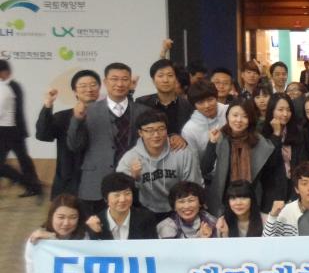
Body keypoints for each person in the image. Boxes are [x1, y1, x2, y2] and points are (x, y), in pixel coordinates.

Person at [68, 62, 152, 215]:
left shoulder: (143, 111)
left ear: (130, 82)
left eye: (124, 79)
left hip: (133, 181)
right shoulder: (88, 111)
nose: (119, 84)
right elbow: (75, 146)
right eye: (114, 79)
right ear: (105, 82)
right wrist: (77, 120)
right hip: (95, 183)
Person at [116, 111, 203, 219]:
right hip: (145, 210)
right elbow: (119, 191)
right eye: (149, 130)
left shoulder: (182, 152)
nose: (156, 135)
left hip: (180, 208)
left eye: (161, 129)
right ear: (140, 133)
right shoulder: (130, 157)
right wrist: (134, 177)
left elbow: (194, 184)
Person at [202, 100, 279, 216]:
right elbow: (205, 168)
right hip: (222, 201)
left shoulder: (259, 142)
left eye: (244, 116)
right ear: (227, 117)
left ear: (250, 119)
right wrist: (212, 143)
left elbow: (269, 176)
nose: (238, 120)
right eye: (235, 115)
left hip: (251, 201)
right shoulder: (220, 137)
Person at [36, 70, 100, 198]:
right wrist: (48, 104)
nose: (89, 89)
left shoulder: (108, 116)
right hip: (69, 182)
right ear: (75, 91)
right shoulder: (63, 116)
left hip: (98, 180)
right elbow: (43, 135)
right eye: (83, 86)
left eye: (93, 85)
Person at [0, 60, 43, 197]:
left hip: (11, 131)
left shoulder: (11, 87)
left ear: (5, 72)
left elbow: (8, 111)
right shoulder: (8, 86)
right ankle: (33, 185)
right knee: (23, 160)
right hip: (10, 130)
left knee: (23, 160)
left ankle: (31, 185)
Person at [134, 59, 193, 143]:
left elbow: (192, 133)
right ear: (153, 80)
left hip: (179, 150)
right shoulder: (142, 103)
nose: (165, 80)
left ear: (176, 79)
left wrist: (184, 139)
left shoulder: (187, 105)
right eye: (160, 76)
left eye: (170, 75)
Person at [85, 172, 158, 240]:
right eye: (117, 195)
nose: (122, 199)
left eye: (127, 193)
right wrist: (96, 232)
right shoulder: (96, 222)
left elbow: (152, 246)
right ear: (105, 199)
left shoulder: (146, 218)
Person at [261, 93, 304, 200]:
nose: (285, 114)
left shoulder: (298, 132)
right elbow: (270, 163)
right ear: (272, 111)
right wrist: (276, 135)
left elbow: (302, 162)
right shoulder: (262, 134)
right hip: (272, 190)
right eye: (280, 110)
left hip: (295, 187)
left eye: (288, 110)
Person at [181, 81, 229, 165]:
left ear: (216, 97)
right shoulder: (189, 129)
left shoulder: (230, 112)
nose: (207, 105)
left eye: (210, 100)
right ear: (194, 105)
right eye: (200, 102)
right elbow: (194, 162)